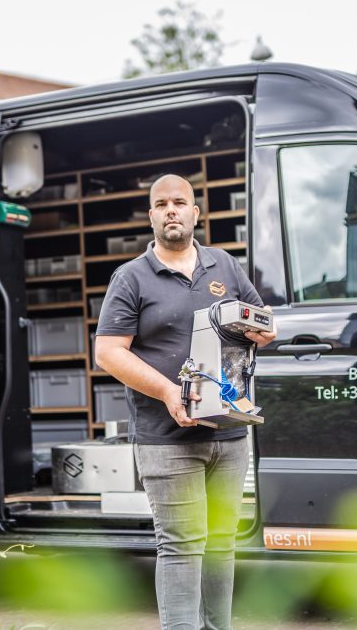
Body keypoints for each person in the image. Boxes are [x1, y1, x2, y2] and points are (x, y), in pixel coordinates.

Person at [94, 174, 276, 630]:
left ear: (196, 213)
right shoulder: (131, 277)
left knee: (220, 545)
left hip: (230, 433)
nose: (171, 210)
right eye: (161, 204)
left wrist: (263, 332)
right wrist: (168, 391)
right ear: (152, 216)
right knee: (180, 545)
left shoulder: (225, 267)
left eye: (180, 202)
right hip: (166, 438)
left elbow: (262, 324)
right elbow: (108, 352)